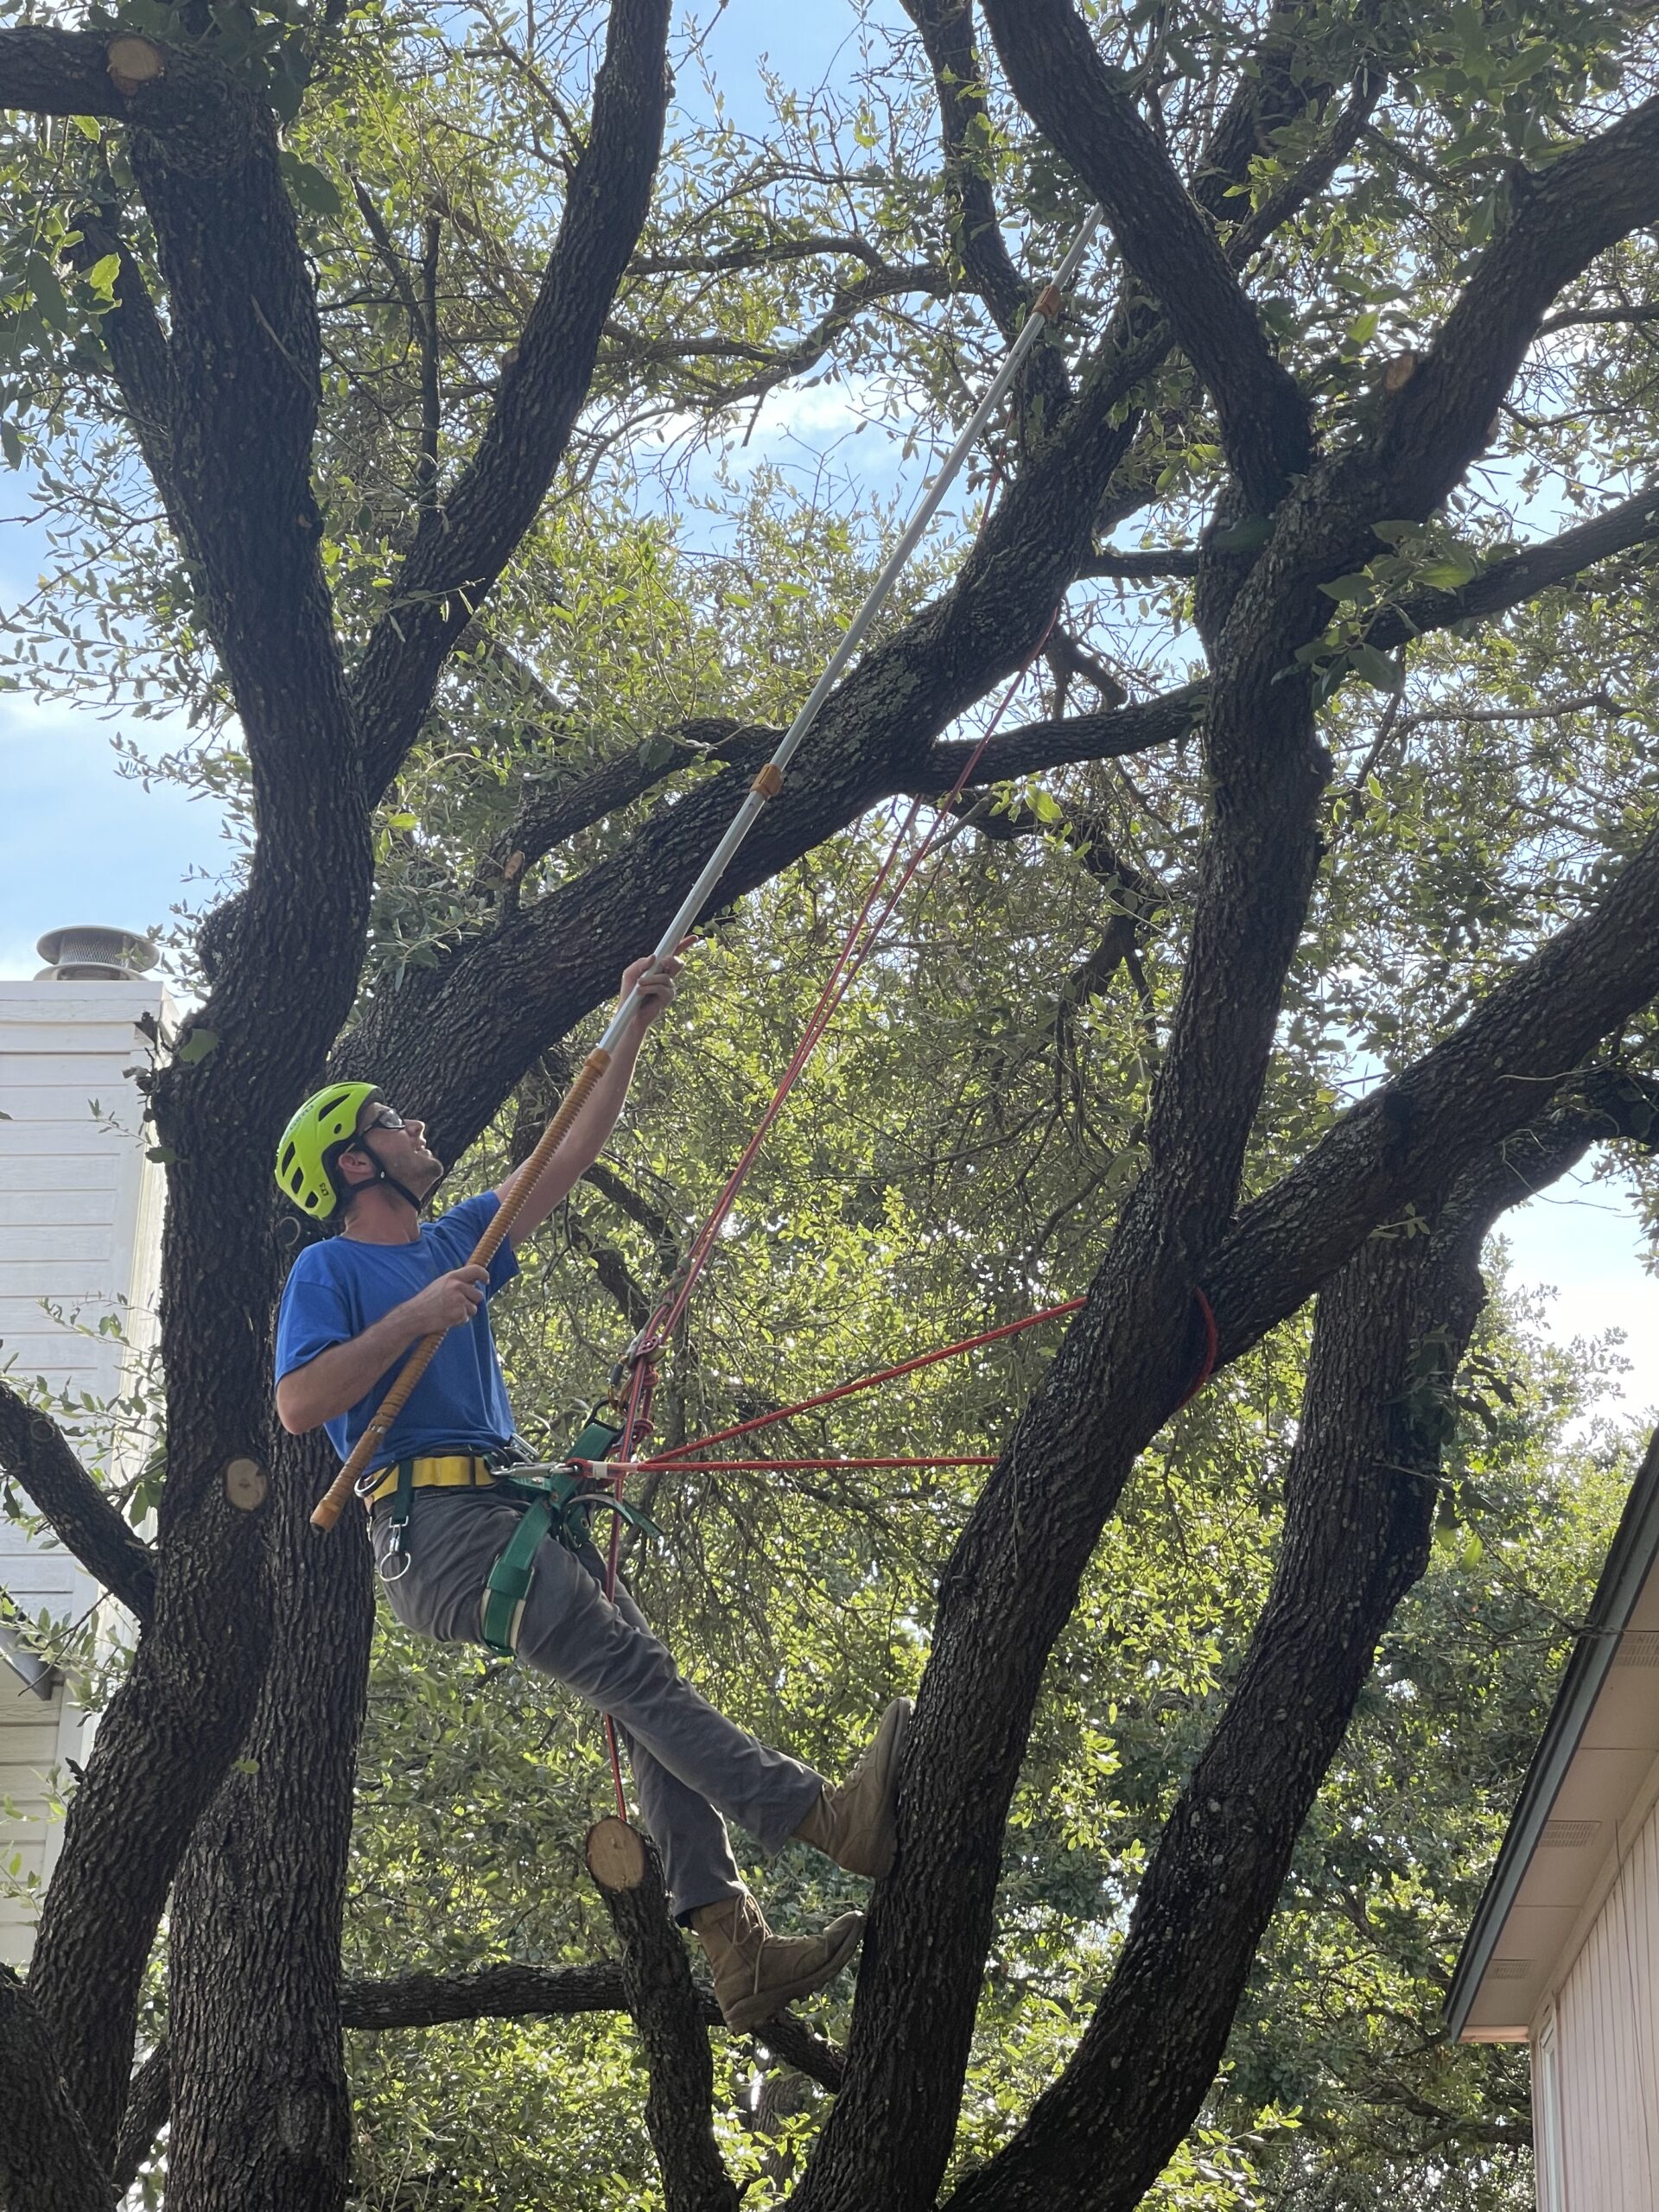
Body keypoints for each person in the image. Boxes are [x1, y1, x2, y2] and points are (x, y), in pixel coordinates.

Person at [272, 954, 909, 2031]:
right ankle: (824, 1820)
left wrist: (633, 1022)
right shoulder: (330, 1272)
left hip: (495, 1512)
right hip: (435, 1531)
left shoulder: (454, 1237)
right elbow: (298, 1407)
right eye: (392, 1117)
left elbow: (565, 1151)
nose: (417, 1120)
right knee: (634, 1670)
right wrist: (414, 1320)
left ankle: (730, 1944)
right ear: (353, 1162)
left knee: (636, 1687)